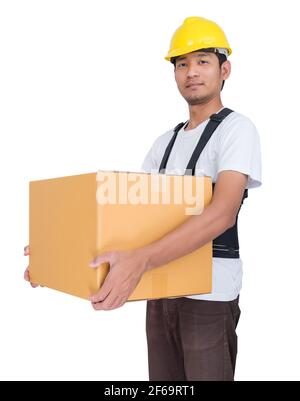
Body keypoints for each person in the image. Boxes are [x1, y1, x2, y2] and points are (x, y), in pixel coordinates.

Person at [24, 16, 262, 381]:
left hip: (210, 300)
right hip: (159, 294)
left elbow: (222, 214)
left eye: (202, 61)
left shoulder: (236, 129)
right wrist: (57, 257)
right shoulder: (163, 143)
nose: (191, 72)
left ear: (224, 69)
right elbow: (130, 219)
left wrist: (140, 260)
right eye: (182, 64)